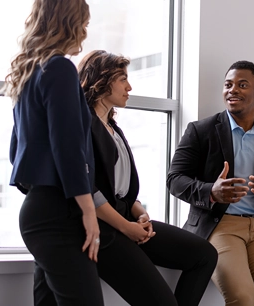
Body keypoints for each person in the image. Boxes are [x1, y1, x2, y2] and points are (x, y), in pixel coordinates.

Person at [77, 50, 218, 306]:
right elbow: (89, 191)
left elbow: (122, 188)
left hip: (126, 217)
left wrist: (141, 214)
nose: (129, 87)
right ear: (102, 79)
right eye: (123, 79)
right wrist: (126, 226)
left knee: (204, 254)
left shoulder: (112, 127)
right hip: (104, 229)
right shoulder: (83, 124)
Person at [167, 60, 254, 306]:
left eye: (242, 84)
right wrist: (210, 192)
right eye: (228, 84)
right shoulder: (200, 131)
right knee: (242, 297)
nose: (232, 90)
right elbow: (174, 180)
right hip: (219, 226)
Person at [1, 0, 104, 305]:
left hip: (38, 209)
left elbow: (15, 150)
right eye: (83, 25)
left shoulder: (30, 71)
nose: (84, 35)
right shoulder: (60, 67)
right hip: (58, 212)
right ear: (68, 24)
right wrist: (89, 211)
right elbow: (67, 147)